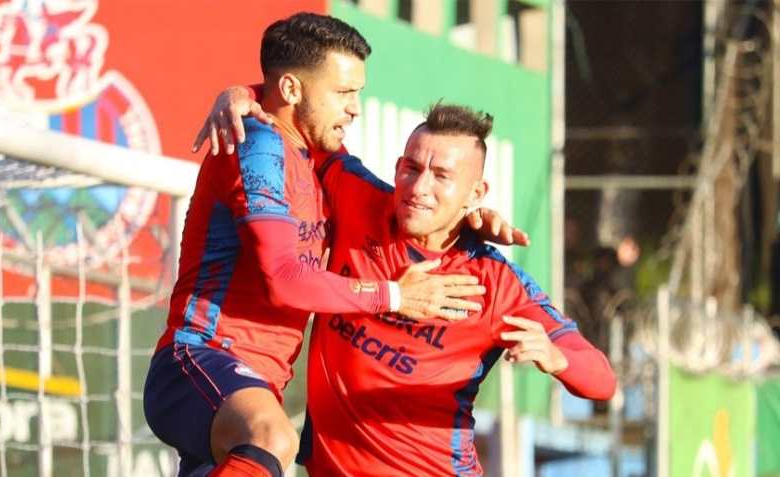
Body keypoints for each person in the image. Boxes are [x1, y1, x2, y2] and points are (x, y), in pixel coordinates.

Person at [143, 13, 518, 477]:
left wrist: (466, 215)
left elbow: (391, 203)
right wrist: (394, 295)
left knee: (264, 444)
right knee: (272, 438)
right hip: (198, 360)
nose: (355, 108)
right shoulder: (257, 146)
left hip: (249, 386)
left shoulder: (315, 155)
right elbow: (285, 280)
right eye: (343, 93)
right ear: (293, 90)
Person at [298, 103, 616, 475]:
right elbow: (297, 113)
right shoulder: (357, 197)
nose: (419, 188)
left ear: (475, 192)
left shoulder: (495, 284)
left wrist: (558, 358)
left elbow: (602, 381)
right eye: (412, 168)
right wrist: (244, 95)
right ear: (397, 167)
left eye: (441, 176)